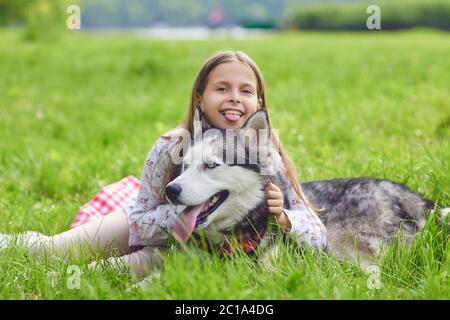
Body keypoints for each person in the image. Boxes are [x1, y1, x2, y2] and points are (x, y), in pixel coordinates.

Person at [0, 51, 327, 277]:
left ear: (258, 103)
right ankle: (13, 243)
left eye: (245, 91)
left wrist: (283, 217)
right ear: (200, 97)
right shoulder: (173, 145)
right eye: (221, 88)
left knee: (109, 273)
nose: (233, 98)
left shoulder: (263, 156)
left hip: (185, 252)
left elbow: (316, 231)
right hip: (143, 225)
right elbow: (141, 218)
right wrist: (187, 212)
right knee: (50, 253)